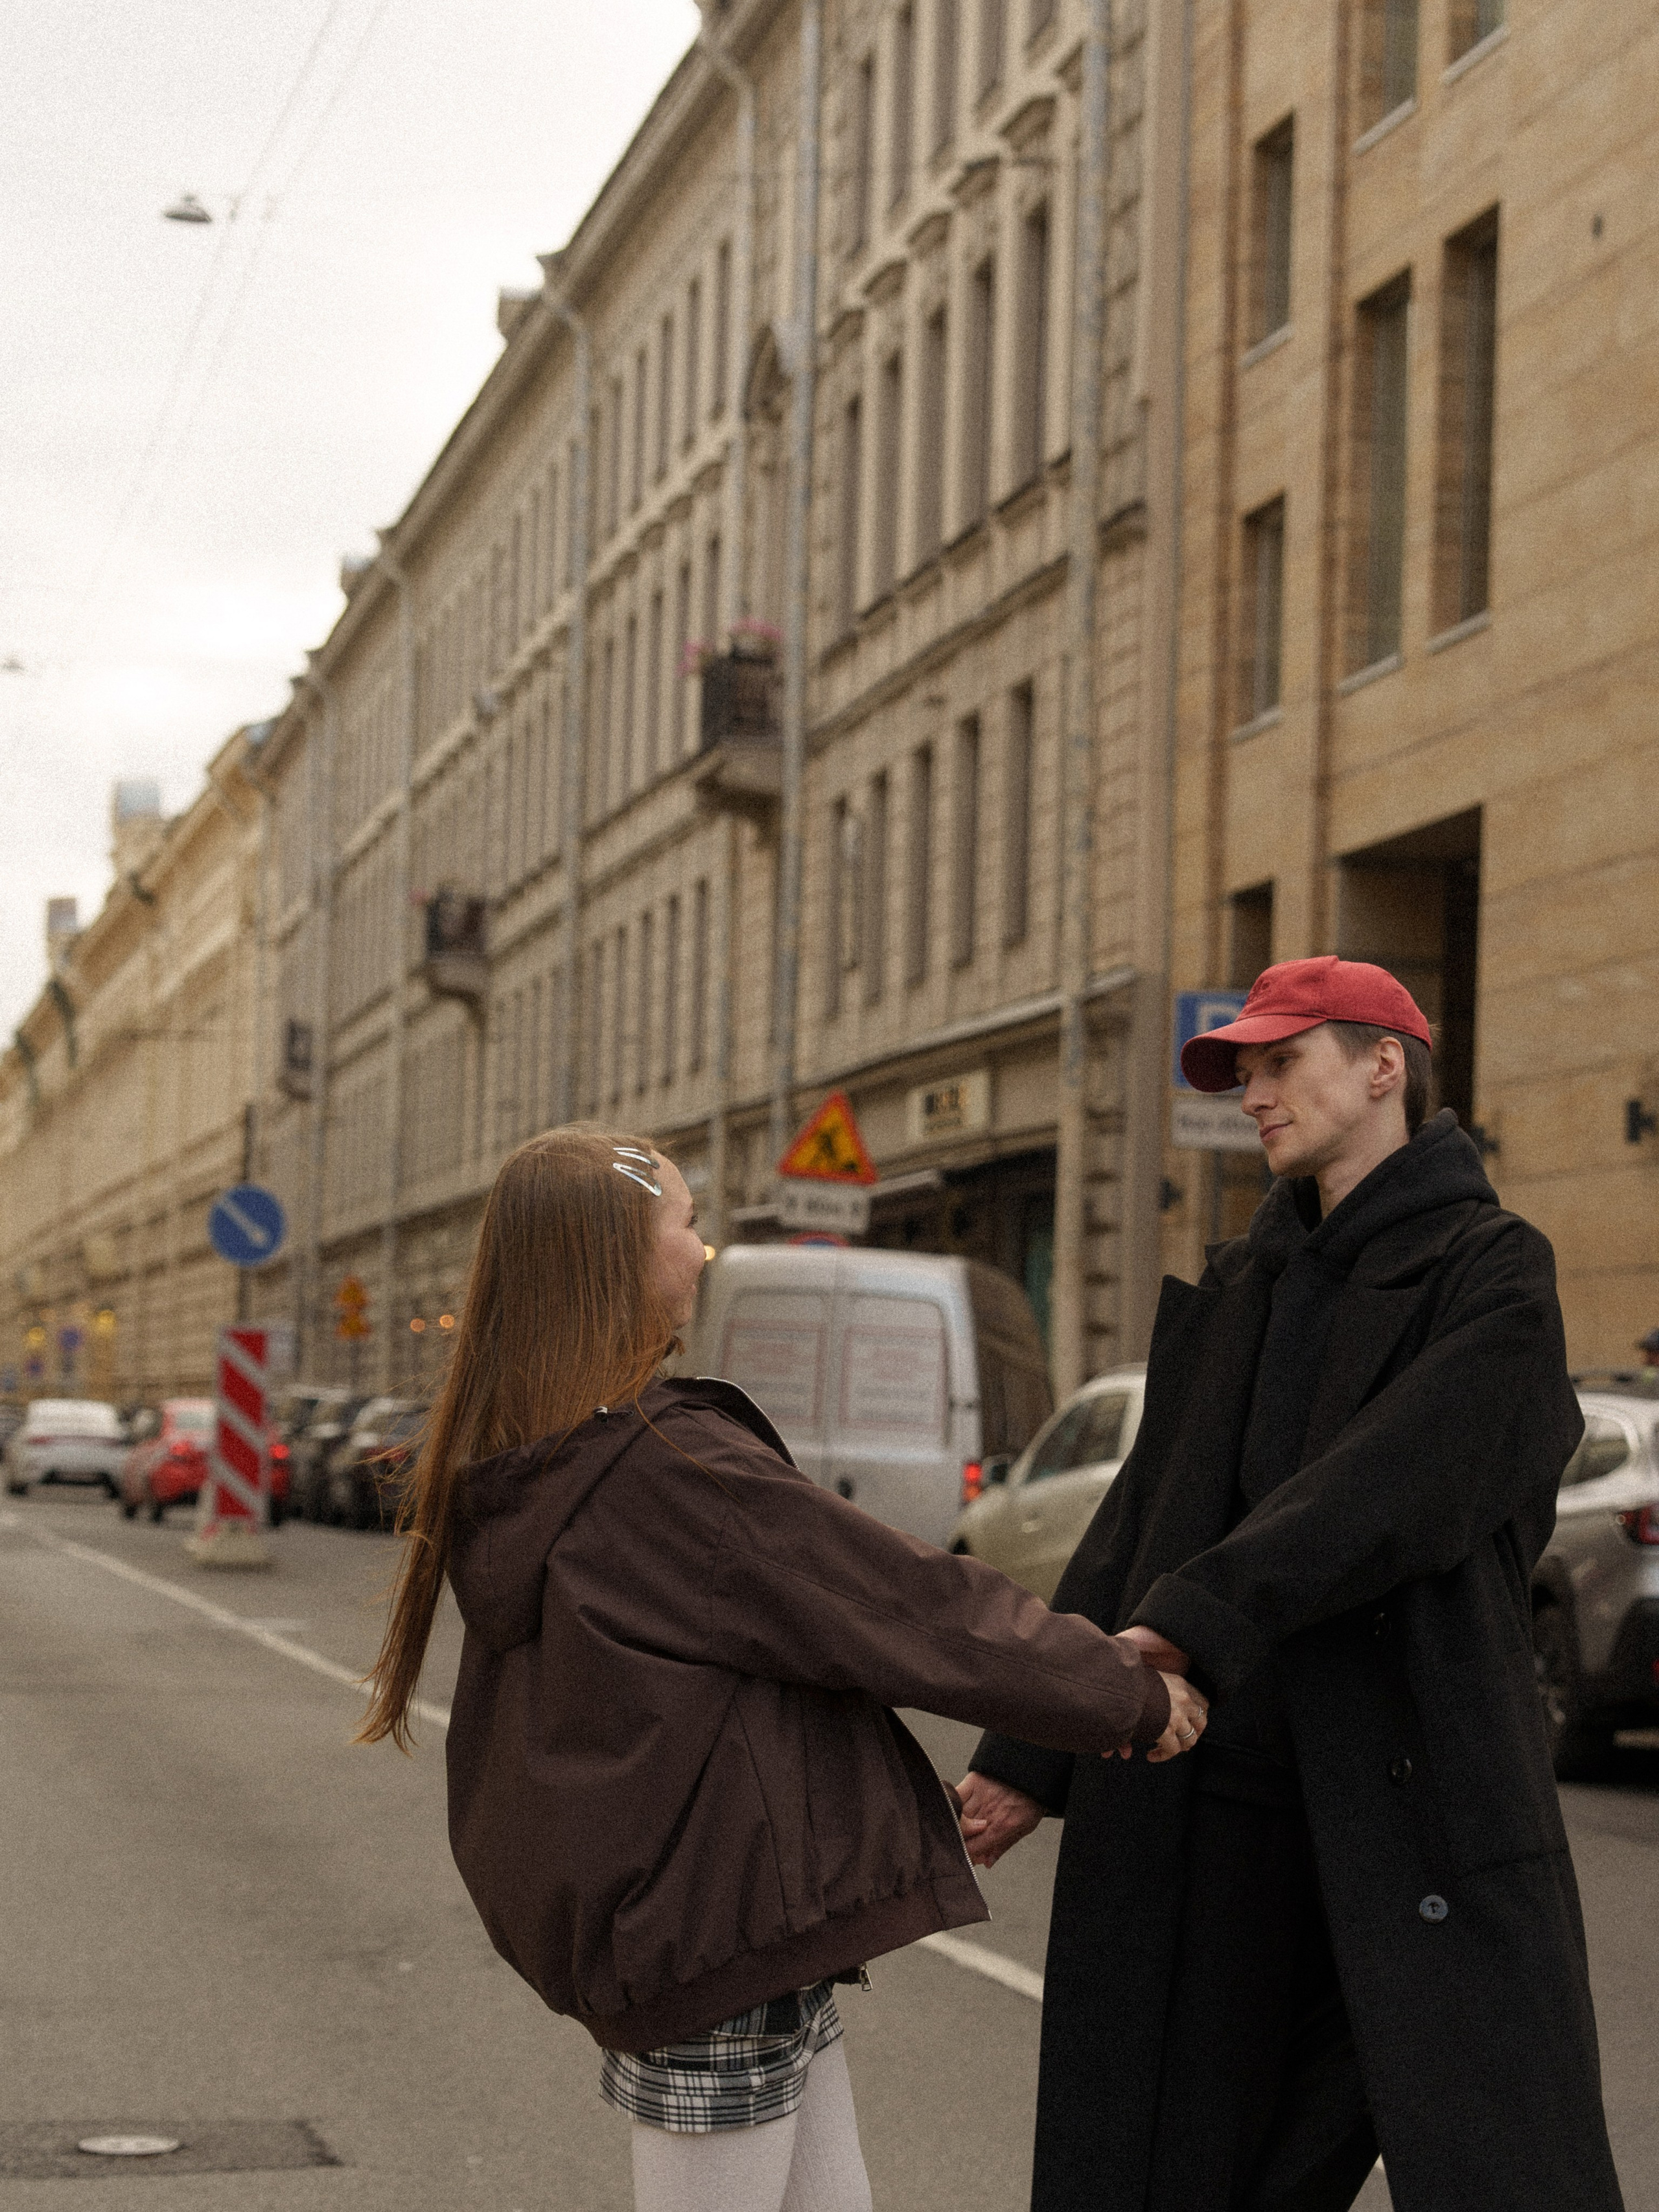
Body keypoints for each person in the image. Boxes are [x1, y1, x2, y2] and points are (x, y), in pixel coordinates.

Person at [358, 1125, 1209, 2212]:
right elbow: (906, 1605)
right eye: (687, 1222)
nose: (704, 1252)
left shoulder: (542, 1458)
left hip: (720, 1934)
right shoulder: (664, 1472)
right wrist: (1123, 1693)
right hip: (715, 1930)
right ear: (618, 1257)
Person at [958, 955, 1625, 2212]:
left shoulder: (1493, 1273)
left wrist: (1196, 1621)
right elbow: (1138, 1521)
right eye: (1243, 1072)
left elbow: (1396, 1484)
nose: (1254, 1093)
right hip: (1222, 1819)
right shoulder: (1240, 1286)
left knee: (1479, 2155)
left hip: (1410, 1804)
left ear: (1384, 1067)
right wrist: (1027, 1744)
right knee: (1188, 2172)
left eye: (1280, 1063)